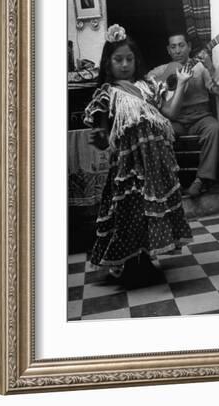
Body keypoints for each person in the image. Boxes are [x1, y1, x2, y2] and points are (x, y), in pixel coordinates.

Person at [84, 24, 193, 286]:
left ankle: (143, 260)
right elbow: (103, 134)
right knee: (129, 213)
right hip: (128, 168)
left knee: (149, 214)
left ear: (136, 60)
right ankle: (130, 265)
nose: (124, 64)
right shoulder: (107, 94)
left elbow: (169, 114)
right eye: (118, 59)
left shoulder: (147, 87)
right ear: (108, 63)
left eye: (129, 59)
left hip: (154, 164)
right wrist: (100, 139)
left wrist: (182, 85)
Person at [148, 33, 219, 198]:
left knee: (213, 128)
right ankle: (168, 181)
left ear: (189, 47)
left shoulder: (201, 67)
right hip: (176, 120)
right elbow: (144, 84)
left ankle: (201, 180)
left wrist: (210, 66)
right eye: (173, 46)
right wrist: (159, 89)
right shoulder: (163, 70)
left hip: (200, 117)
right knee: (159, 132)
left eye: (181, 45)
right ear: (168, 50)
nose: (178, 50)